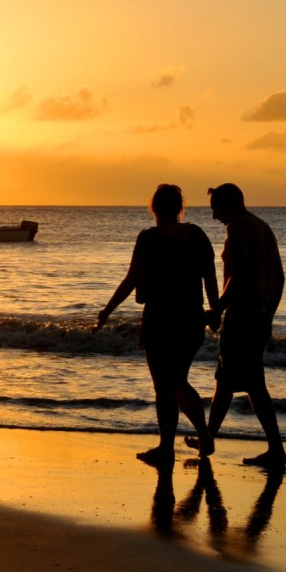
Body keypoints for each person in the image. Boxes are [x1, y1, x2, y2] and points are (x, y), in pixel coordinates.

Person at [96, 184, 220, 465]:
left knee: (166, 386)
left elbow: (132, 279)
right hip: (191, 317)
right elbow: (210, 276)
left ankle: (172, 446)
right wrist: (215, 311)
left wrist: (107, 310)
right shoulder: (197, 235)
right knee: (178, 380)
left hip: (160, 319)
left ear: (154, 207)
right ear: (179, 207)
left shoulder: (149, 238)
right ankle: (199, 436)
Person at [185, 184, 286, 469]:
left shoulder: (239, 227)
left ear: (230, 203)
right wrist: (269, 312)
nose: (215, 216)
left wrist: (216, 308)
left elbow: (239, 276)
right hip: (259, 313)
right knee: (226, 378)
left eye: (216, 208)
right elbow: (279, 277)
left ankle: (276, 449)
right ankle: (209, 439)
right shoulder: (263, 227)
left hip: (243, 315)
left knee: (252, 383)